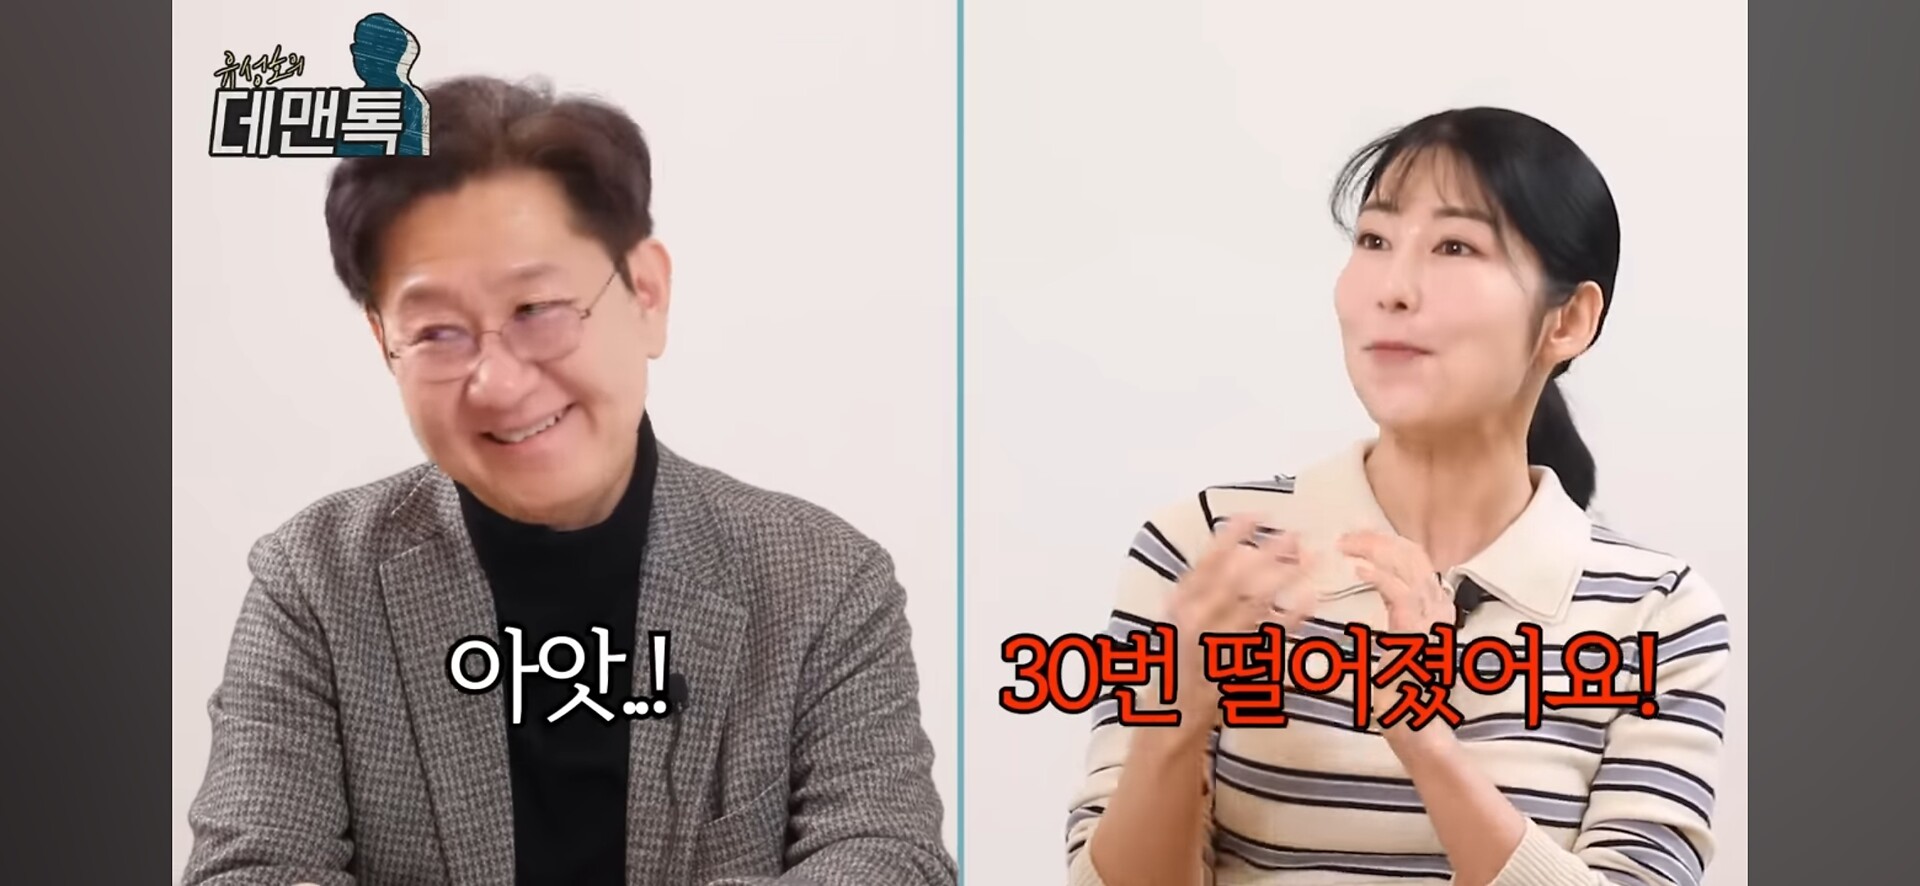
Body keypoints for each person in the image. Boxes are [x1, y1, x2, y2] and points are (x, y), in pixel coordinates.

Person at [182, 76, 955, 886]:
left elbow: (889, 859)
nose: (498, 383)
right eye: (438, 331)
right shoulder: (315, 583)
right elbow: (249, 871)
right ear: (385, 344)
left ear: (646, 294)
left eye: (537, 309)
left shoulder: (821, 580)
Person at [1063, 108, 1731, 886]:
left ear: (1568, 320)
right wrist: (1174, 718)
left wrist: (1424, 738)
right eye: (1375, 240)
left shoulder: (1657, 612)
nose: (1393, 288)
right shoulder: (1205, 549)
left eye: (1456, 247)